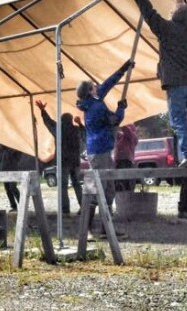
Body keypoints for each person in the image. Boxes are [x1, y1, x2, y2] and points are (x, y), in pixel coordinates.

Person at [129, 0, 187, 168]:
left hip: (176, 83)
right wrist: (181, 4)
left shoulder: (166, 29)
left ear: (174, 16)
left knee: (179, 121)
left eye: (172, 10)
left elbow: (149, 13)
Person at [75, 59, 134, 212]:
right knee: (101, 186)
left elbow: (108, 83)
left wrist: (123, 69)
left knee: (108, 185)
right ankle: (90, 220)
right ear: (90, 91)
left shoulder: (93, 100)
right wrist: (121, 108)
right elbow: (114, 121)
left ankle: (105, 221)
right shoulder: (96, 107)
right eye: (94, 86)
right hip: (99, 150)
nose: (97, 86)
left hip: (102, 149)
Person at [35, 100, 83, 214]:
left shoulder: (58, 129)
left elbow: (48, 122)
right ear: (71, 120)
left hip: (63, 161)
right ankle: (84, 207)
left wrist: (42, 110)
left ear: (61, 121)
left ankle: (65, 209)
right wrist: (80, 123)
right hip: (75, 161)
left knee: (63, 186)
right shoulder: (76, 130)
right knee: (77, 184)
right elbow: (85, 132)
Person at [113, 124, 139, 193]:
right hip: (118, 163)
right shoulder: (120, 137)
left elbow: (127, 131)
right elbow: (114, 132)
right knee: (118, 182)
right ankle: (119, 195)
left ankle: (128, 195)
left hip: (127, 162)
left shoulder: (133, 137)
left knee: (127, 182)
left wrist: (120, 122)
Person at [0, 146, 25, 212]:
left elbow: (14, 156)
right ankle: (13, 206)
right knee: (7, 189)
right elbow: (1, 149)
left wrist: (10, 148)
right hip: (5, 169)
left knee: (13, 187)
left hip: (13, 169)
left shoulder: (17, 147)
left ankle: (22, 205)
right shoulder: (5, 148)